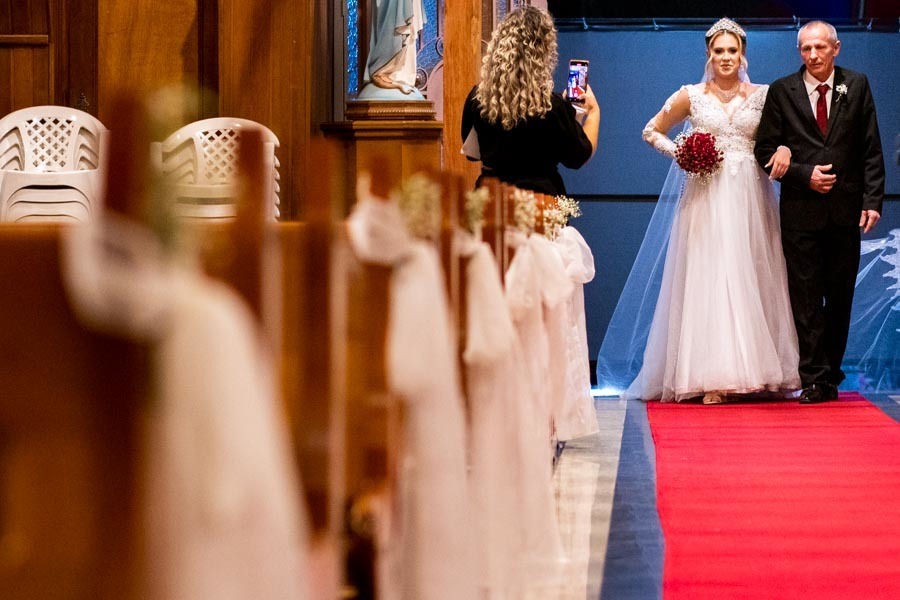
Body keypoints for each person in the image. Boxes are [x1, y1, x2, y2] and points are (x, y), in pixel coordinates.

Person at [598, 17, 800, 404]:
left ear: (743, 54)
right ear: (709, 53)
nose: (726, 57)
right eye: (719, 50)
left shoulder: (763, 95)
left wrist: (784, 149)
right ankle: (714, 377)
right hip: (706, 195)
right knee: (711, 276)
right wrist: (684, 152)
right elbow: (651, 130)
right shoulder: (691, 95)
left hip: (750, 197)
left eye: (732, 50)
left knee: (750, 273)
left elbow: (786, 137)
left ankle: (758, 372)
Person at [754, 20, 885, 404]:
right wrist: (803, 175)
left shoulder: (856, 85)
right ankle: (814, 377)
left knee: (840, 297)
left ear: (836, 48)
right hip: (800, 212)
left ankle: (831, 373)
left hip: (845, 210)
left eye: (820, 47)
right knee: (806, 298)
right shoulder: (782, 91)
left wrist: (872, 200)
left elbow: (870, 147)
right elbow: (764, 151)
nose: (813, 55)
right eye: (806, 48)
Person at [461, 5, 599, 196]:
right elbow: (578, 157)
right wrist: (593, 112)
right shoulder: (551, 106)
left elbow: (471, 154)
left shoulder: (477, 98)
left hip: (491, 201)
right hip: (540, 201)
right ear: (543, 53)